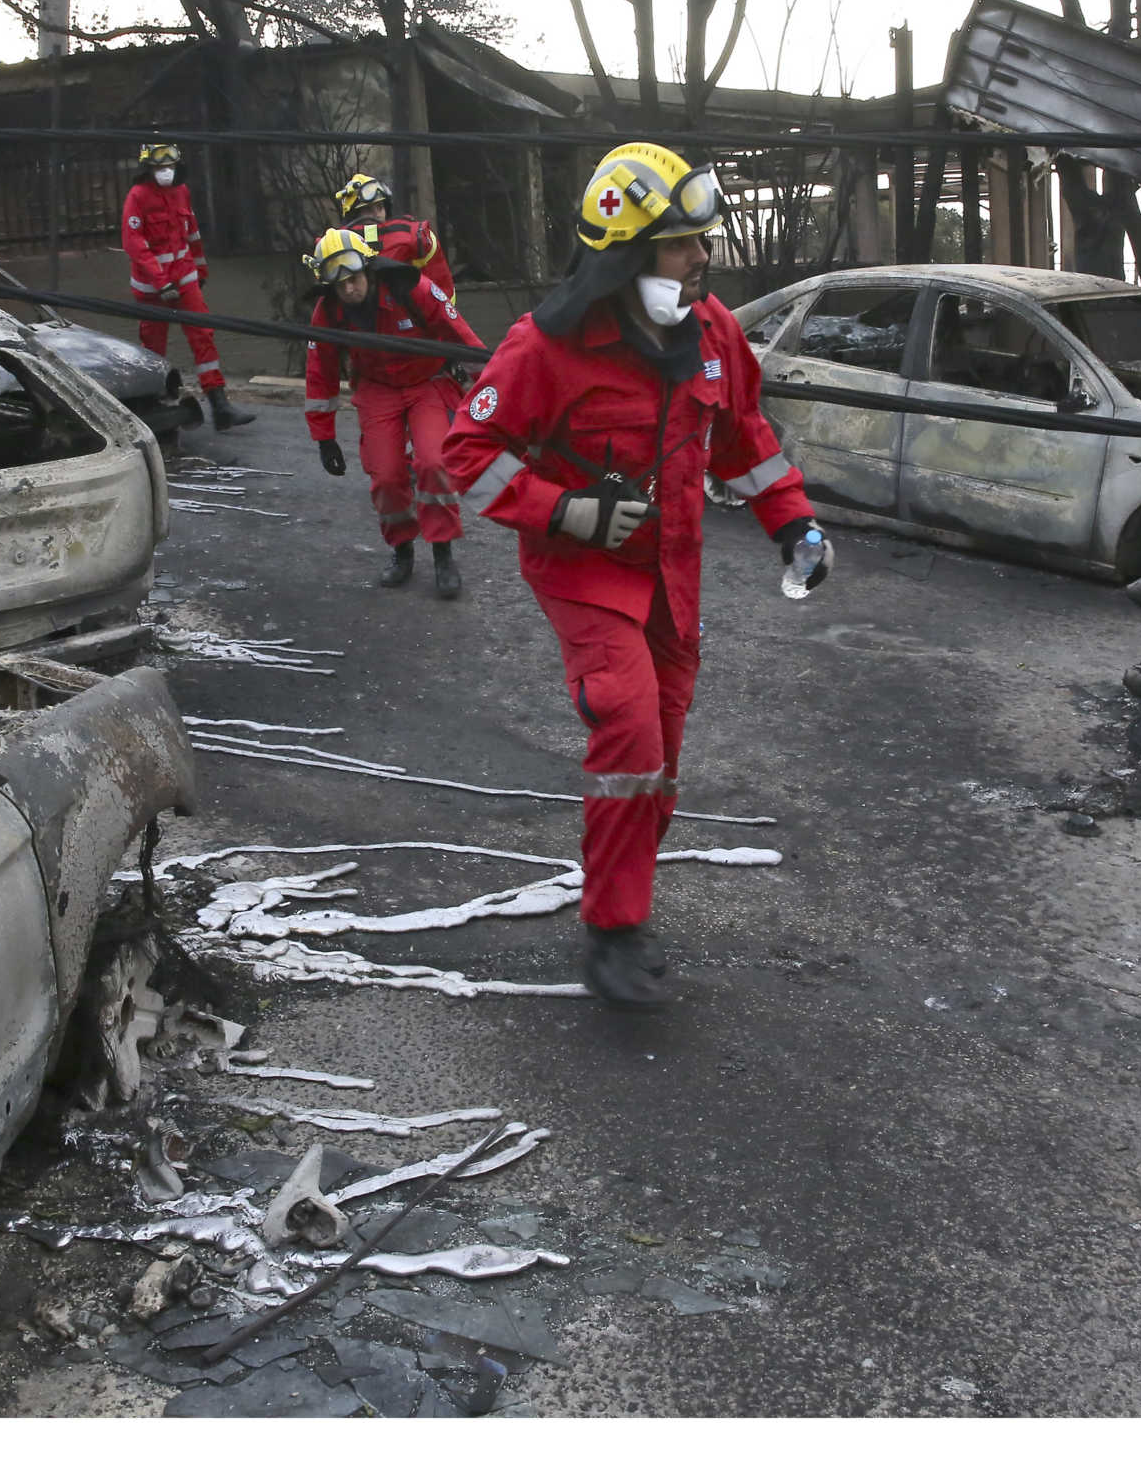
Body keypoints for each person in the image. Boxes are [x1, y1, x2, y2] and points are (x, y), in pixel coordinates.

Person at [439, 143, 833, 1008]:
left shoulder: (716, 334)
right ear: (626, 251)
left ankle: (629, 904)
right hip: (583, 577)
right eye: (682, 243)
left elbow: (745, 443)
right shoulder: (545, 346)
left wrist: (794, 521)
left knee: (659, 760)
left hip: (672, 575)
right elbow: (467, 452)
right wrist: (565, 510)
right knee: (629, 733)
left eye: (703, 240)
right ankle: (611, 931)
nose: (702, 258)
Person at [303, 227, 483, 597]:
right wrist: (324, 437)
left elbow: (462, 337)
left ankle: (443, 553)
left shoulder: (411, 288)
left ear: (367, 269)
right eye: (341, 285)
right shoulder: (329, 312)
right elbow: (319, 372)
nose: (350, 290)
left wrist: (494, 396)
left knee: (433, 463)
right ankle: (402, 550)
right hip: (377, 389)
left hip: (426, 381)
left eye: (354, 279)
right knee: (386, 475)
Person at [122, 142, 251, 431]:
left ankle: (220, 406)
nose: (165, 172)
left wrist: (200, 268)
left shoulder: (181, 192)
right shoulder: (137, 197)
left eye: (169, 166)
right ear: (147, 168)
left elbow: (192, 232)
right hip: (152, 289)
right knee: (153, 348)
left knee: (203, 334)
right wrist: (160, 280)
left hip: (184, 277)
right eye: (159, 167)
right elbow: (134, 244)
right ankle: (155, 404)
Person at [334, 172, 458, 301]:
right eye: (368, 210)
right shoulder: (336, 247)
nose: (377, 214)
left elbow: (442, 289)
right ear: (353, 216)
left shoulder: (414, 238)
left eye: (380, 207)